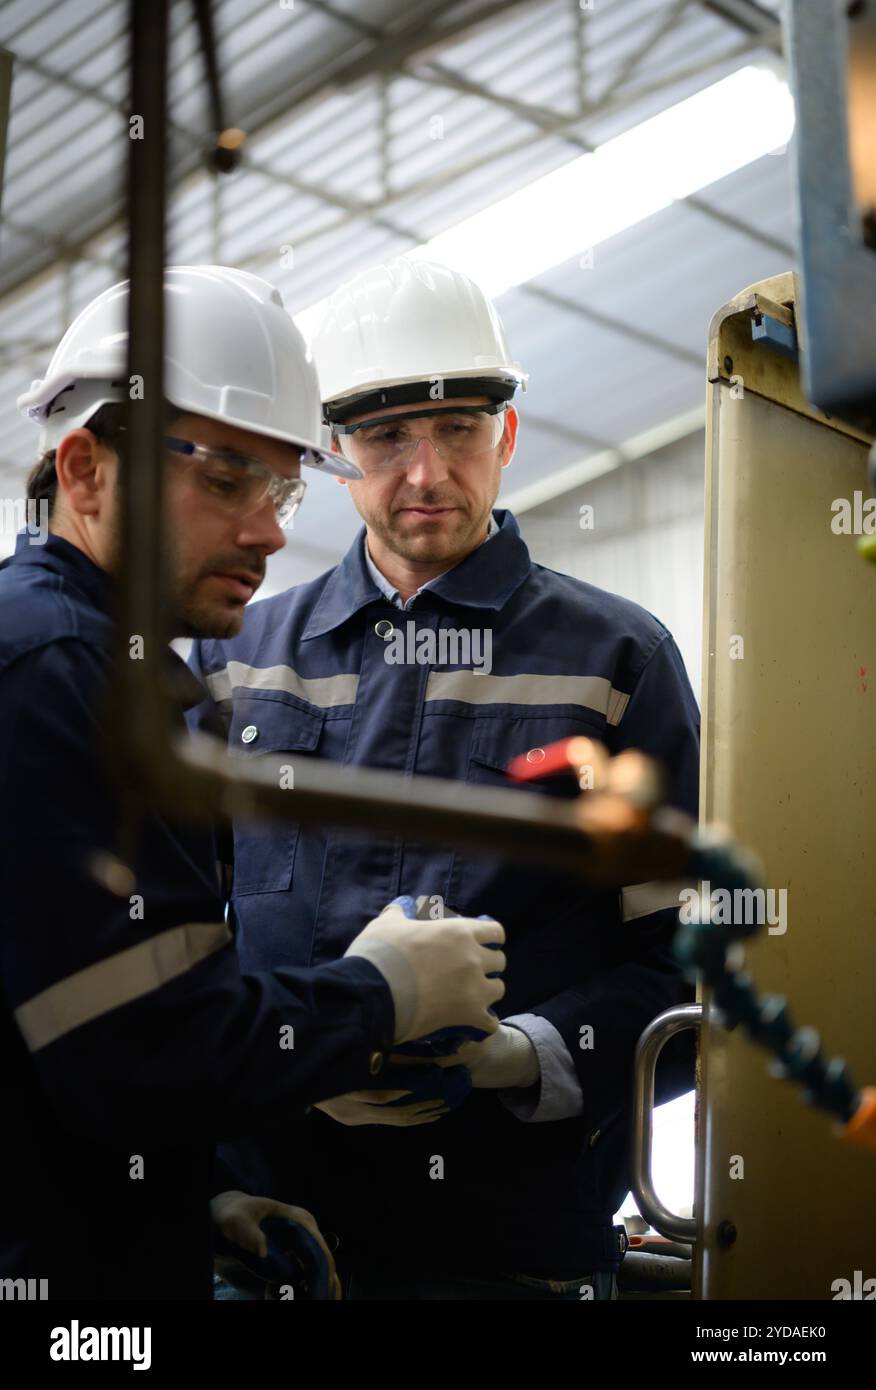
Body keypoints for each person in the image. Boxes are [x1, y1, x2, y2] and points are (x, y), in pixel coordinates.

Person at [188, 256, 699, 1301]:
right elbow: (173, 944)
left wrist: (516, 1057)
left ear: (506, 436)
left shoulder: (616, 662)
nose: (425, 474)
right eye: (386, 438)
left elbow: (686, 972)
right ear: (335, 453)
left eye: (459, 429)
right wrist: (206, 1177)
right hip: (276, 1247)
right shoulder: (234, 660)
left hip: (517, 1258)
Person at [0, 264, 505, 1301]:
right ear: (87, 472)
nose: (272, 530)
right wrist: (380, 995)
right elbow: (152, 1051)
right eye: (225, 480)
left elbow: (75, 1057)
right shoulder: (59, 674)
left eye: (278, 487)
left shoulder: (93, 665)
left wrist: (184, 1203)